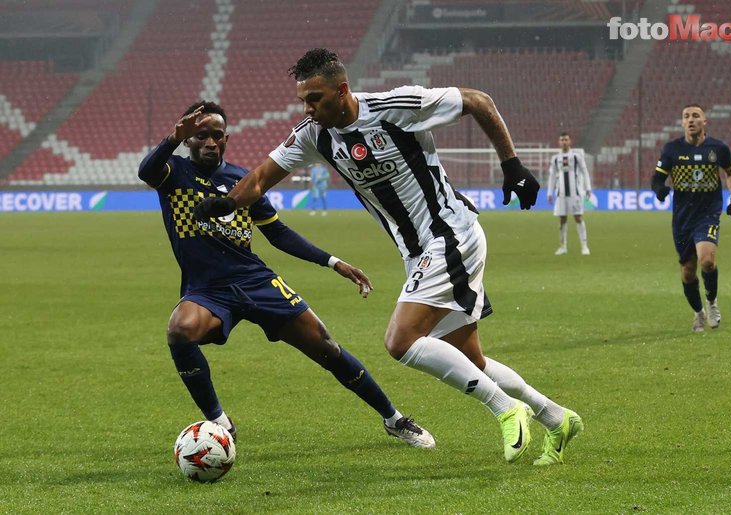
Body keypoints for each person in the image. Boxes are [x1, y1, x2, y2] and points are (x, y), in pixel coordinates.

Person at [195, 49, 583, 465]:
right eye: (303, 101)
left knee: (400, 341)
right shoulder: (314, 134)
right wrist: (226, 204)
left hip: (449, 233)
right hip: (418, 252)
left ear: (342, 90)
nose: (308, 109)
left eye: (316, 99)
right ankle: (557, 418)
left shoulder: (394, 107)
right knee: (469, 359)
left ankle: (506, 408)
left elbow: (478, 102)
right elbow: (258, 179)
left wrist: (512, 165)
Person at [137, 101, 435, 449]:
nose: (210, 142)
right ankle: (219, 421)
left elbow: (277, 233)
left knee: (326, 346)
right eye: (201, 135)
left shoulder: (241, 181)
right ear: (190, 139)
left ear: (227, 139)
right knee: (180, 329)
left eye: (217, 136)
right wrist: (173, 137)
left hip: (256, 282)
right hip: (208, 290)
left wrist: (334, 262)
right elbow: (147, 171)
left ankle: (394, 419)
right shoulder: (173, 173)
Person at [651, 103, 731, 332]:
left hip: (708, 213)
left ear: (704, 121)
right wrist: (659, 189)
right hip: (682, 218)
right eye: (686, 116)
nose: (690, 119)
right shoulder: (672, 150)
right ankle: (698, 313)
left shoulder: (718, 148)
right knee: (688, 271)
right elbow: (657, 178)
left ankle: (712, 303)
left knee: (707, 260)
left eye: (695, 116)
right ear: (682, 122)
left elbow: (730, 173)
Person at [546, 132, 592, 256]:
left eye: (566, 139)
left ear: (570, 141)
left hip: (575, 194)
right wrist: (549, 193)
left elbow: (584, 171)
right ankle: (563, 246)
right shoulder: (555, 159)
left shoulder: (577, 157)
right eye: (562, 140)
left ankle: (584, 246)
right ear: (559, 142)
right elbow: (552, 177)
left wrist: (588, 188)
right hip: (561, 194)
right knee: (562, 219)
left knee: (578, 217)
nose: (564, 142)